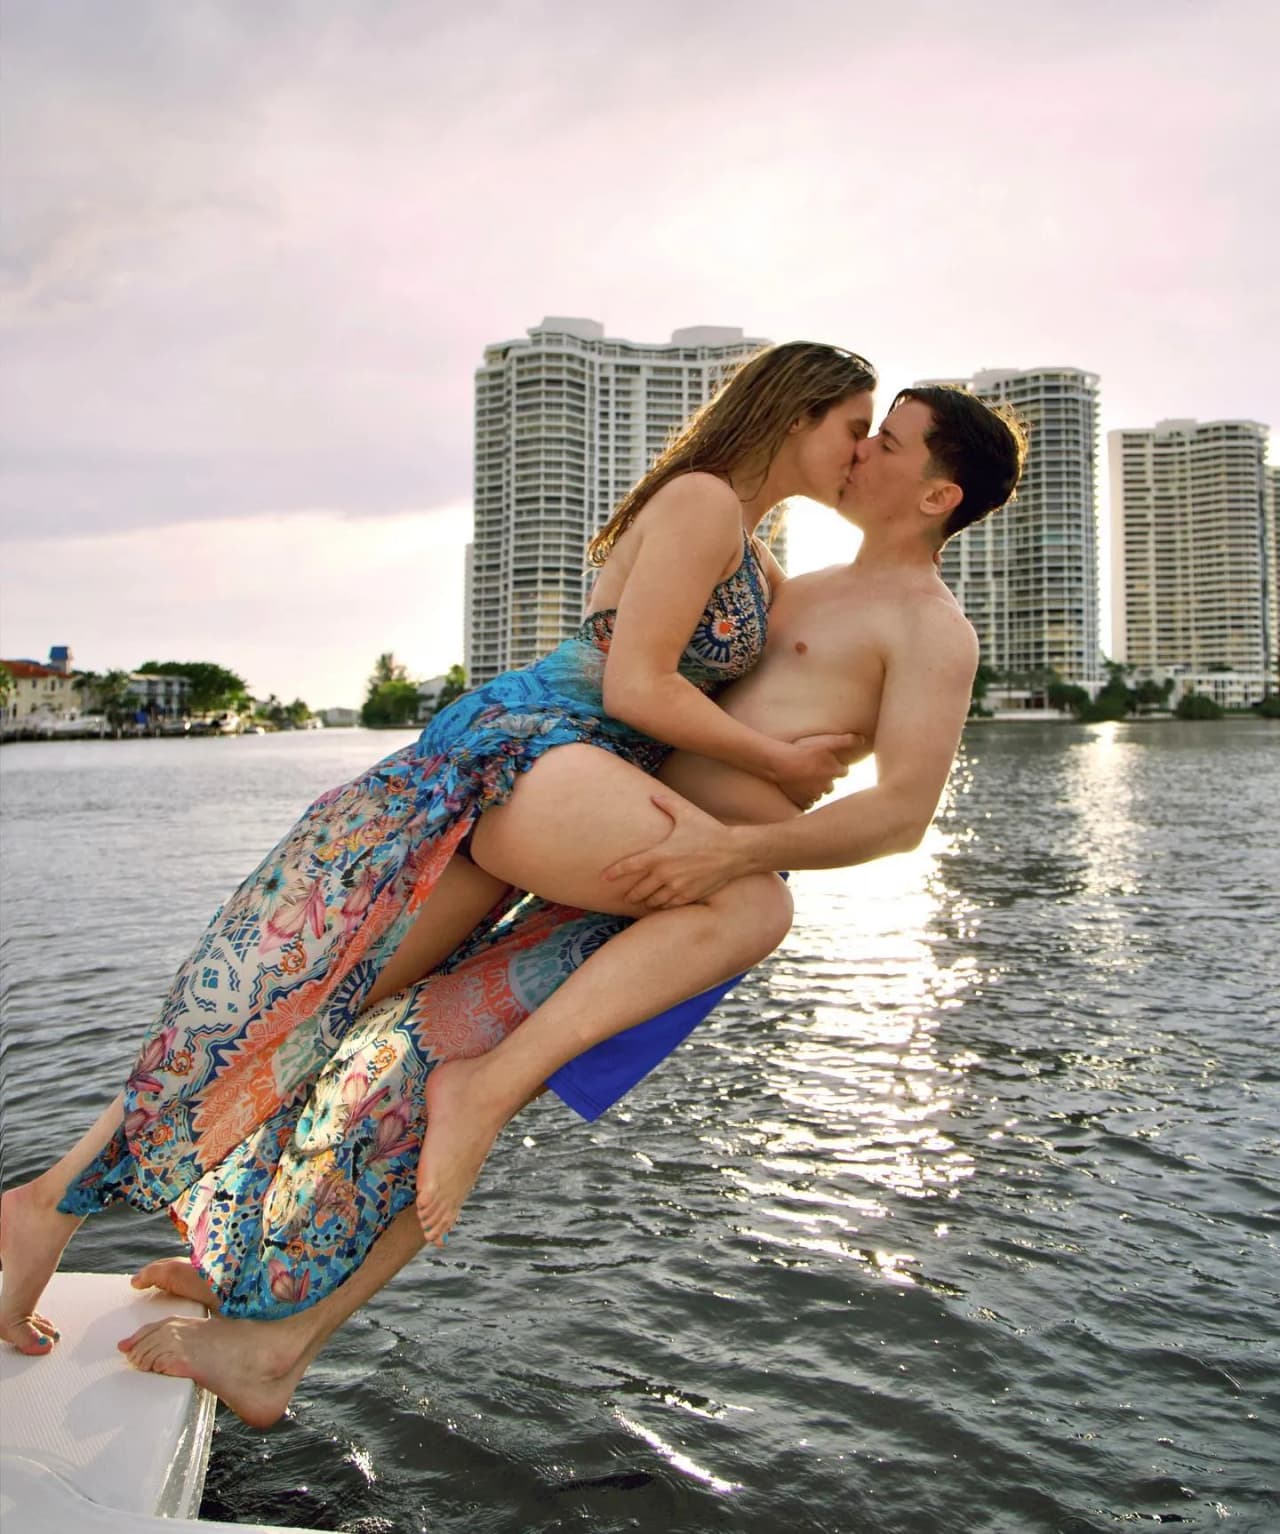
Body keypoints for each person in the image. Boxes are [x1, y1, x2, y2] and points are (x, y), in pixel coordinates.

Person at [106, 383, 1026, 1428]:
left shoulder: (932, 632)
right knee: (374, 1043)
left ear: (937, 492)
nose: (860, 453)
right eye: (860, 432)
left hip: (678, 902)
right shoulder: (796, 585)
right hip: (604, 842)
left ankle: (280, 1350)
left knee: (463, 1085)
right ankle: (240, 1269)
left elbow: (901, 814)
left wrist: (737, 847)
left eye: (888, 444)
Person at [0, 341, 877, 1358]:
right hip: (521, 754)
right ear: (794, 413)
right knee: (302, 999)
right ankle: (46, 1207)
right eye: (853, 427)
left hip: (570, 784)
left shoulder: (756, 554)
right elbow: (638, 688)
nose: (858, 453)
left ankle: (221, 1244)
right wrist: (775, 756)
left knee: (341, 1015)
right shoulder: (701, 503)